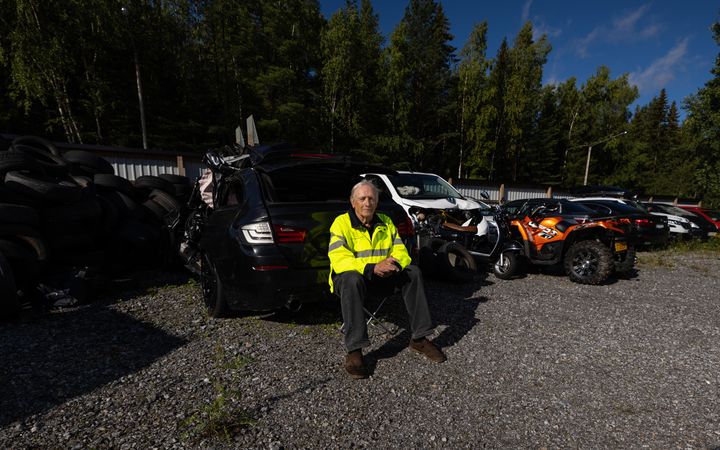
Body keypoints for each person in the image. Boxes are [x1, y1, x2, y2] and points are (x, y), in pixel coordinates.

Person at [328, 180, 446, 379]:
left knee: (413, 272)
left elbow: (400, 250)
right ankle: (354, 351)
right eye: (362, 198)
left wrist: (394, 265)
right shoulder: (341, 223)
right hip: (355, 280)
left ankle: (419, 338)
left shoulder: (386, 221)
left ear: (377, 201)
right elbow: (339, 259)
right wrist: (372, 268)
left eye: (371, 198)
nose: (367, 203)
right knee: (351, 279)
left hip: (384, 277)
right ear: (352, 202)